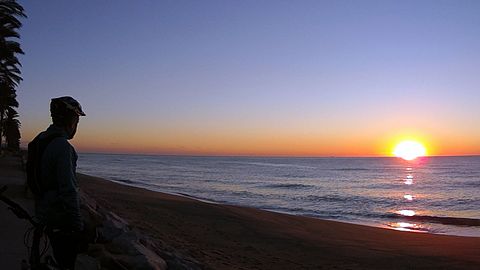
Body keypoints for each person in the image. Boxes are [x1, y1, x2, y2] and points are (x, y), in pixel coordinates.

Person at [31, 96, 86, 269]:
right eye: (77, 120)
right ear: (71, 120)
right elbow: (68, 189)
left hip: (41, 209)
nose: (76, 126)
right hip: (58, 216)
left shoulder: (37, 141)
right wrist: (77, 224)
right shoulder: (63, 147)